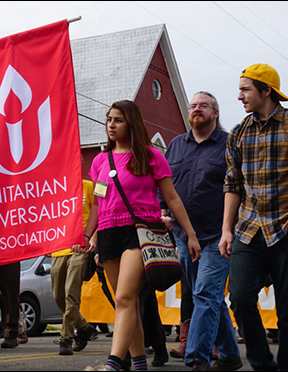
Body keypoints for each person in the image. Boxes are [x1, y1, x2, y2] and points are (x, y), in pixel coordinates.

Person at [77, 100, 201, 371]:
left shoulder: (150, 156)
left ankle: (114, 363)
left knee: (124, 298)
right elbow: (97, 204)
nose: (111, 124)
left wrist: (190, 234)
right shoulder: (99, 161)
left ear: (131, 123)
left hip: (140, 232)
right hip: (109, 233)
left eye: (118, 119)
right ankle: (140, 364)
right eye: (109, 119)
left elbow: (172, 197)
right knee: (127, 302)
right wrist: (89, 236)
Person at [219, 63, 288, 371]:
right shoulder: (238, 133)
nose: (240, 96)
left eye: (245, 89)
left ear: (266, 91)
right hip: (248, 230)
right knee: (239, 298)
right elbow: (232, 184)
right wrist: (227, 230)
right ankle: (261, 364)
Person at [161, 91, 242, 371]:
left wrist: (229, 229)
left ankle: (197, 359)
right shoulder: (174, 145)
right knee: (206, 294)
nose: (197, 109)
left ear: (215, 113)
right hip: (184, 236)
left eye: (203, 106)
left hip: (218, 235)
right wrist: (163, 212)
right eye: (193, 106)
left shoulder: (230, 144)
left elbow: (240, 187)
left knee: (205, 293)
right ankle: (230, 356)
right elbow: (166, 185)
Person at [51, 178, 96, 355]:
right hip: (59, 248)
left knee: (71, 293)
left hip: (80, 247)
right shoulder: (54, 187)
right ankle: (84, 327)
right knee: (58, 295)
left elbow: (99, 212)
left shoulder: (88, 186)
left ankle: (66, 338)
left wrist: (92, 237)